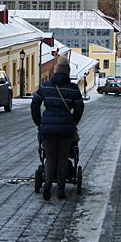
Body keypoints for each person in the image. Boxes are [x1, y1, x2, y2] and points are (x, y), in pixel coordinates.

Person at [31, 54, 84, 200]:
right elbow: (79, 108)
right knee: (62, 158)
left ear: (56, 70)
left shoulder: (46, 86)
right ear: (67, 72)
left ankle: (48, 182)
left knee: (49, 157)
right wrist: (73, 122)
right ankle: (61, 189)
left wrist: (39, 122)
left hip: (47, 129)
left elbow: (35, 103)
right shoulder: (73, 89)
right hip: (66, 130)